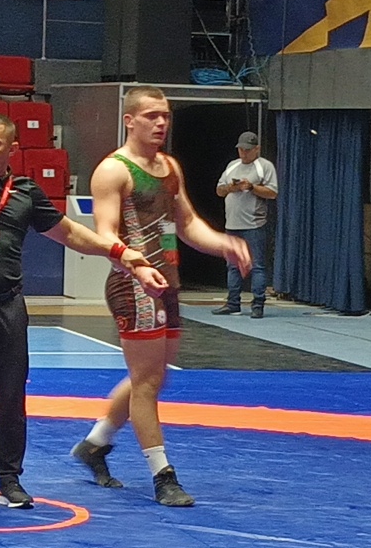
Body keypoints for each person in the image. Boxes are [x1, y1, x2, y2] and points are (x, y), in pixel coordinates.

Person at [0, 98, 162, 512]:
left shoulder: (26, 193)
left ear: (12, 149)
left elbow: (72, 234)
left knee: (11, 401)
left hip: (8, 310)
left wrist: (121, 253)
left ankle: (9, 481)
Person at [70, 87, 250, 507]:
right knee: (148, 381)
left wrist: (223, 244)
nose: (161, 123)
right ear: (129, 120)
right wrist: (135, 266)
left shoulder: (170, 167)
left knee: (152, 376)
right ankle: (162, 475)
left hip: (166, 281)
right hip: (133, 284)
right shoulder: (113, 171)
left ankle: (95, 443)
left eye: (165, 115)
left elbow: (187, 224)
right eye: (151, 115)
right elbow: (105, 235)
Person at [212, 130, 277, 318]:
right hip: (232, 224)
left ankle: (258, 304)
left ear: (257, 149)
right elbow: (219, 191)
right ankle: (233, 302)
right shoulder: (232, 165)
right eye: (241, 149)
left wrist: (251, 187)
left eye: (248, 150)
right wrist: (231, 188)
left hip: (254, 224)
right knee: (233, 265)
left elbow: (272, 193)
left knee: (257, 265)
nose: (244, 153)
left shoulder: (264, 167)